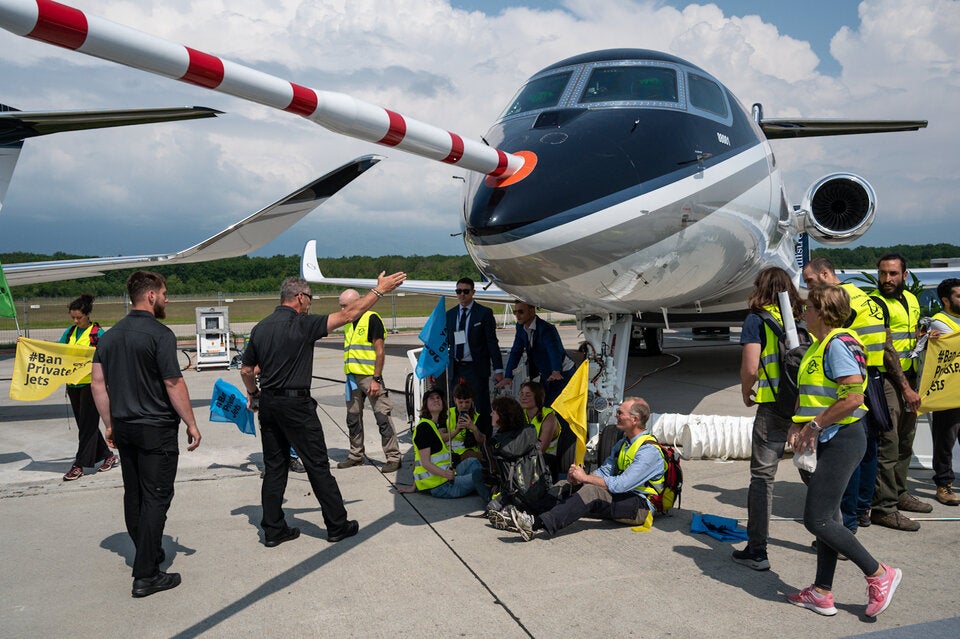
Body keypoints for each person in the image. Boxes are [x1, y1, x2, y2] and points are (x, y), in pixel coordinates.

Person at [240, 272, 405, 548]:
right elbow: (349, 315)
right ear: (300, 298)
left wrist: (254, 394)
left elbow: (247, 370)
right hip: (296, 406)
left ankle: (273, 529)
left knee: (274, 467)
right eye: (309, 300)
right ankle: (337, 525)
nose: (310, 305)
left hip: (269, 403)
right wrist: (379, 290)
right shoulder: (303, 324)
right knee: (317, 465)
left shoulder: (260, 328)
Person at [785, 285, 901, 618]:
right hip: (826, 437)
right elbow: (812, 395)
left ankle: (879, 573)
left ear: (821, 312)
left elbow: (852, 398)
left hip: (842, 437)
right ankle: (821, 592)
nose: (802, 313)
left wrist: (815, 426)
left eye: (807, 308)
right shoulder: (818, 346)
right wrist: (798, 424)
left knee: (817, 519)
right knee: (830, 518)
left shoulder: (837, 344)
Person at [90, 271, 202, 598]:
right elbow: (173, 382)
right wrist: (191, 424)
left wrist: (109, 423)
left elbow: (98, 384)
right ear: (150, 296)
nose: (168, 298)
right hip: (156, 430)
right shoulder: (160, 335)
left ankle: (148, 552)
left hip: (124, 427)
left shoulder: (109, 337)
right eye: (164, 293)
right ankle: (147, 575)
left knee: (135, 493)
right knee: (156, 497)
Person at [801, 258, 892, 532]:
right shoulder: (866, 298)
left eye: (810, 281)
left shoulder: (835, 335)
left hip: (849, 380)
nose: (807, 287)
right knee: (869, 451)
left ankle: (847, 522)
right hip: (871, 373)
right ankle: (861, 510)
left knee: (849, 463)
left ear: (826, 274)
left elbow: (851, 397)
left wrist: (815, 424)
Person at [505, 397, 666, 541]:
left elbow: (621, 485)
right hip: (623, 497)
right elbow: (603, 473)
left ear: (634, 419)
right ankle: (524, 513)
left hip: (640, 507)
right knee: (565, 485)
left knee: (591, 492)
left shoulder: (648, 452)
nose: (616, 415)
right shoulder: (623, 444)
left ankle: (535, 525)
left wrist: (586, 479)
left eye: (620, 413)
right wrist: (578, 479)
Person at [732, 267, 803, 571]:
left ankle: (757, 550)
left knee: (762, 477)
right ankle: (833, 536)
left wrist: (747, 391)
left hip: (773, 404)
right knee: (815, 473)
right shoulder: (803, 319)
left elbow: (751, 368)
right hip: (807, 405)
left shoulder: (756, 319)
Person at [869, 254, 931, 526]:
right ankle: (883, 507)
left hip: (909, 374)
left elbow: (908, 336)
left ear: (905, 275)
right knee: (889, 442)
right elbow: (886, 349)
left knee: (906, 438)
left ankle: (899, 492)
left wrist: (925, 337)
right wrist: (905, 388)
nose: (887, 279)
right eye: (883, 273)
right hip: (887, 379)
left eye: (893, 274)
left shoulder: (912, 300)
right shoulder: (877, 303)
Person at [335, 288, 402, 473]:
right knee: (353, 418)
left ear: (357, 303)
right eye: (340, 306)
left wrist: (376, 379)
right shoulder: (348, 321)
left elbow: (380, 350)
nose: (342, 309)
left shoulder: (371, 318)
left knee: (382, 416)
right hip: (351, 378)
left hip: (369, 377)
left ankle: (393, 457)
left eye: (345, 305)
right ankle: (356, 455)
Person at [59, 294, 117, 481]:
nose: (76, 321)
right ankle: (107, 456)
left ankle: (79, 465)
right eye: (73, 317)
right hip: (74, 384)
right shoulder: (69, 332)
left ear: (88, 314)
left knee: (86, 426)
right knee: (85, 425)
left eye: (79, 317)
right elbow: (56, 351)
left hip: (92, 385)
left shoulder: (98, 334)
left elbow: (110, 356)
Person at [397, 388, 488, 501]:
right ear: (426, 405)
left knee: (472, 462)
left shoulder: (432, 425)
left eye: (438, 398)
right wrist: (445, 474)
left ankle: (476, 486)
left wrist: (413, 487)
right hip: (442, 486)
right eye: (432, 398)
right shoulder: (424, 428)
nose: (436, 400)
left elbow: (418, 459)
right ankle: (492, 502)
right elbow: (425, 463)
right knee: (484, 476)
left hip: (446, 477)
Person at [442, 277, 503, 437]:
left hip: (476, 368)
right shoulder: (450, 315)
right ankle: (459, 438)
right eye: (458, 291)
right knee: (457, 404)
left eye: (465, 291)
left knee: (480, 406)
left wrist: (498, 369)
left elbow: (492, 343)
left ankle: (484, 442)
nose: (462, 295)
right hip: (456, 367)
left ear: (473, 292)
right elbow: (444, 343)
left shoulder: (484, 313)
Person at [496, 301, 573, 405]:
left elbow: (554, 351)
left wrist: (556, 370)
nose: (517, 315)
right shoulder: (520, 327)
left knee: (556, 405)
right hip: (546, 372)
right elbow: (515, 352)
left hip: (563, 372)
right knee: (543, 402)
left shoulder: (546, 329)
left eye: (521, 312)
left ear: (532, 312)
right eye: (515, 312)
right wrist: (509, 376)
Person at [926, 278, 960, 506]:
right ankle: (944, 483)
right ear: (946, 300)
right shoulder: (940, 322)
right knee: (945, 440)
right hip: (948, 393)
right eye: (958, 295)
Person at [518, 381, 562, 477]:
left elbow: (540, 450)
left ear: (537, 398)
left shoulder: (549, 417)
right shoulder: (520, 414)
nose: (523, 398)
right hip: (525, 457)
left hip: (547, 460)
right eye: (522, 394)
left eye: (528, 395)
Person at [446, 383, 484, 464]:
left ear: (472, 400)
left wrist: (474, 428)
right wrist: (457, 430)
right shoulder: (447, 414)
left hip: (470, 455)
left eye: (467, 402)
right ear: (455, 400)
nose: (464, 406)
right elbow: (440, 438)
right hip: (450, 454)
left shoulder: (477, 416)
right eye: (460, 402)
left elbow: (482, 441)